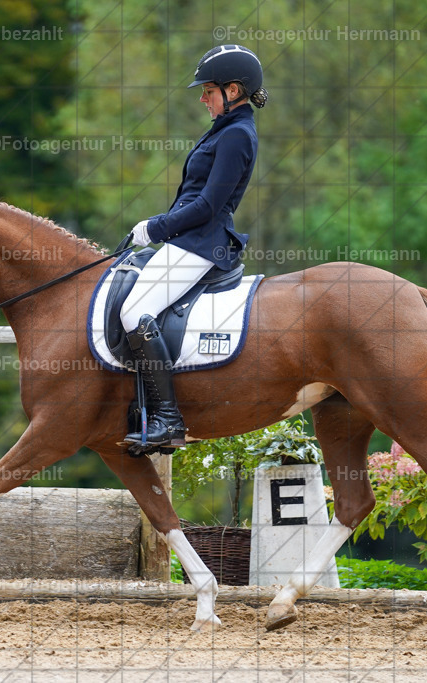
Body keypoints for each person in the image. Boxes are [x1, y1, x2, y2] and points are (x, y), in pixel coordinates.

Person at [121, 44, 268, 447]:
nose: (202, 98)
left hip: (203, 243)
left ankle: (168, 419)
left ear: (233, 90)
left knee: (135, 312)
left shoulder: (237, 135)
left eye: (208, 90)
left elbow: (208, 205)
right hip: (189, 238)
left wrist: (156, 227)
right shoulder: (225, 128)